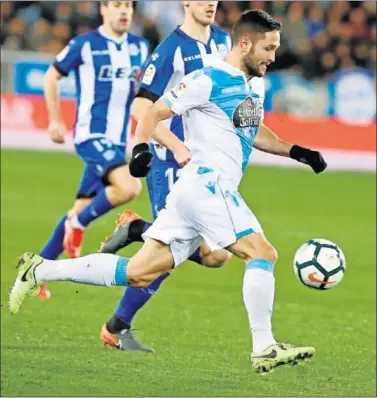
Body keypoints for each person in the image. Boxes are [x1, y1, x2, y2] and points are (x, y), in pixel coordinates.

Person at [9, 10, 327, 374]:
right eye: (268, 48)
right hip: (208, 185)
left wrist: (298, 152)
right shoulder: (207, 79)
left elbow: (253, 131)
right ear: (245, 44)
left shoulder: (254, 83)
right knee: (262, 253)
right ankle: (264, 346)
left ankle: (39, 270)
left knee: (139, 272)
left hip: (194, 194)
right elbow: (149, 112)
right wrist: (143, 148)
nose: (274, 56)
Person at [99, 1, 234, 351]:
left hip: (205, 161)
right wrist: (175, 146)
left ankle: (138, 229)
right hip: (170, 159)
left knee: (218, 255)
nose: (209, 4)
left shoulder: (224, 42)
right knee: (170, 251)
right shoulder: (171, 50)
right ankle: (116, 327)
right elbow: (141, 108)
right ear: (185, 3)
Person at [37, 1, 149, 298]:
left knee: (81, 206)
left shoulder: (139, 47)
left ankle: (35, 272)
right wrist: (55, 120)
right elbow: (52, 76)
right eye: (116, 5)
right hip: (91, 135)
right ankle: (79, 224)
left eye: (128, 5)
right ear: (103, 9)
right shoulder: (85, 45)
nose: (123, 10)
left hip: (117, 141)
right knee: (128, 187)